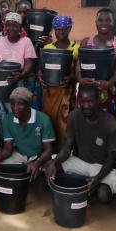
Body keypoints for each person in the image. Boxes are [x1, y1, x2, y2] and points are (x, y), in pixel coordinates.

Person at [45, 85, 116, 203]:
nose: (86, 106)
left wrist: (97, 179)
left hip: (101, 167)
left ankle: (99, 183)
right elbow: (68, 146)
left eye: (90, 102)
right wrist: (54, 162)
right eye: (83, 102)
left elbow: (112, 159)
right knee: (50, 168)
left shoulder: (111, 123)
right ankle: (83, 183)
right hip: (79, 162)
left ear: (98, 100)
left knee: (103, 195)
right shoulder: (74, 116)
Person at [0, 12, 37, 139]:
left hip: (17, 83)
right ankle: (3, 140)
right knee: (0, 113)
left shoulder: (26, 42)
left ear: (20, 27)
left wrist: (19, 77)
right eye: (8, 25)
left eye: (15, 26)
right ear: (5, 26)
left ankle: (19, 140)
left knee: (16, 111)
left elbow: (29, 64)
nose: (11, 28)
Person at [0, 87, 55, 181]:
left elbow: (48, 150)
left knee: (52, 167)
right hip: (20, 155)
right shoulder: (8, 119)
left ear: (29, 104)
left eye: (20, 104)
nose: (15, 108)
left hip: (39, 157)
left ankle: (38, 174)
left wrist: (36, 163)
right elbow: (8, 148)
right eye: (12, 104)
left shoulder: (43, 119)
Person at [76, 7, 116, 117]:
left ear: (113, 23)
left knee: (106, 119)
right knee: (85, 118)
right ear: (96, 22)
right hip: (86, 90)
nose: (104, 23)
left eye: (108, 20)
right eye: (100, 20)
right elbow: (79, 63)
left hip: (108, 89)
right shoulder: (86, 41)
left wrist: (109, 83)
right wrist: (80, 78)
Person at [40, 15, 79, 151]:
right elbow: (41, 69)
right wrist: (41, 77)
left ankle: (62, 152)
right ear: (54, 30)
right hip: (49, 92)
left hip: (66, 92)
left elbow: (78, 71)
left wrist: (72, 78)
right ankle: (48, 151)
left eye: (64, 29)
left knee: (64, 123)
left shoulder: (76, 48)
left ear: (69, 29)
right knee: (48, 120)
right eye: (57, 29)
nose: (61, 32)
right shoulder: (48, 47)